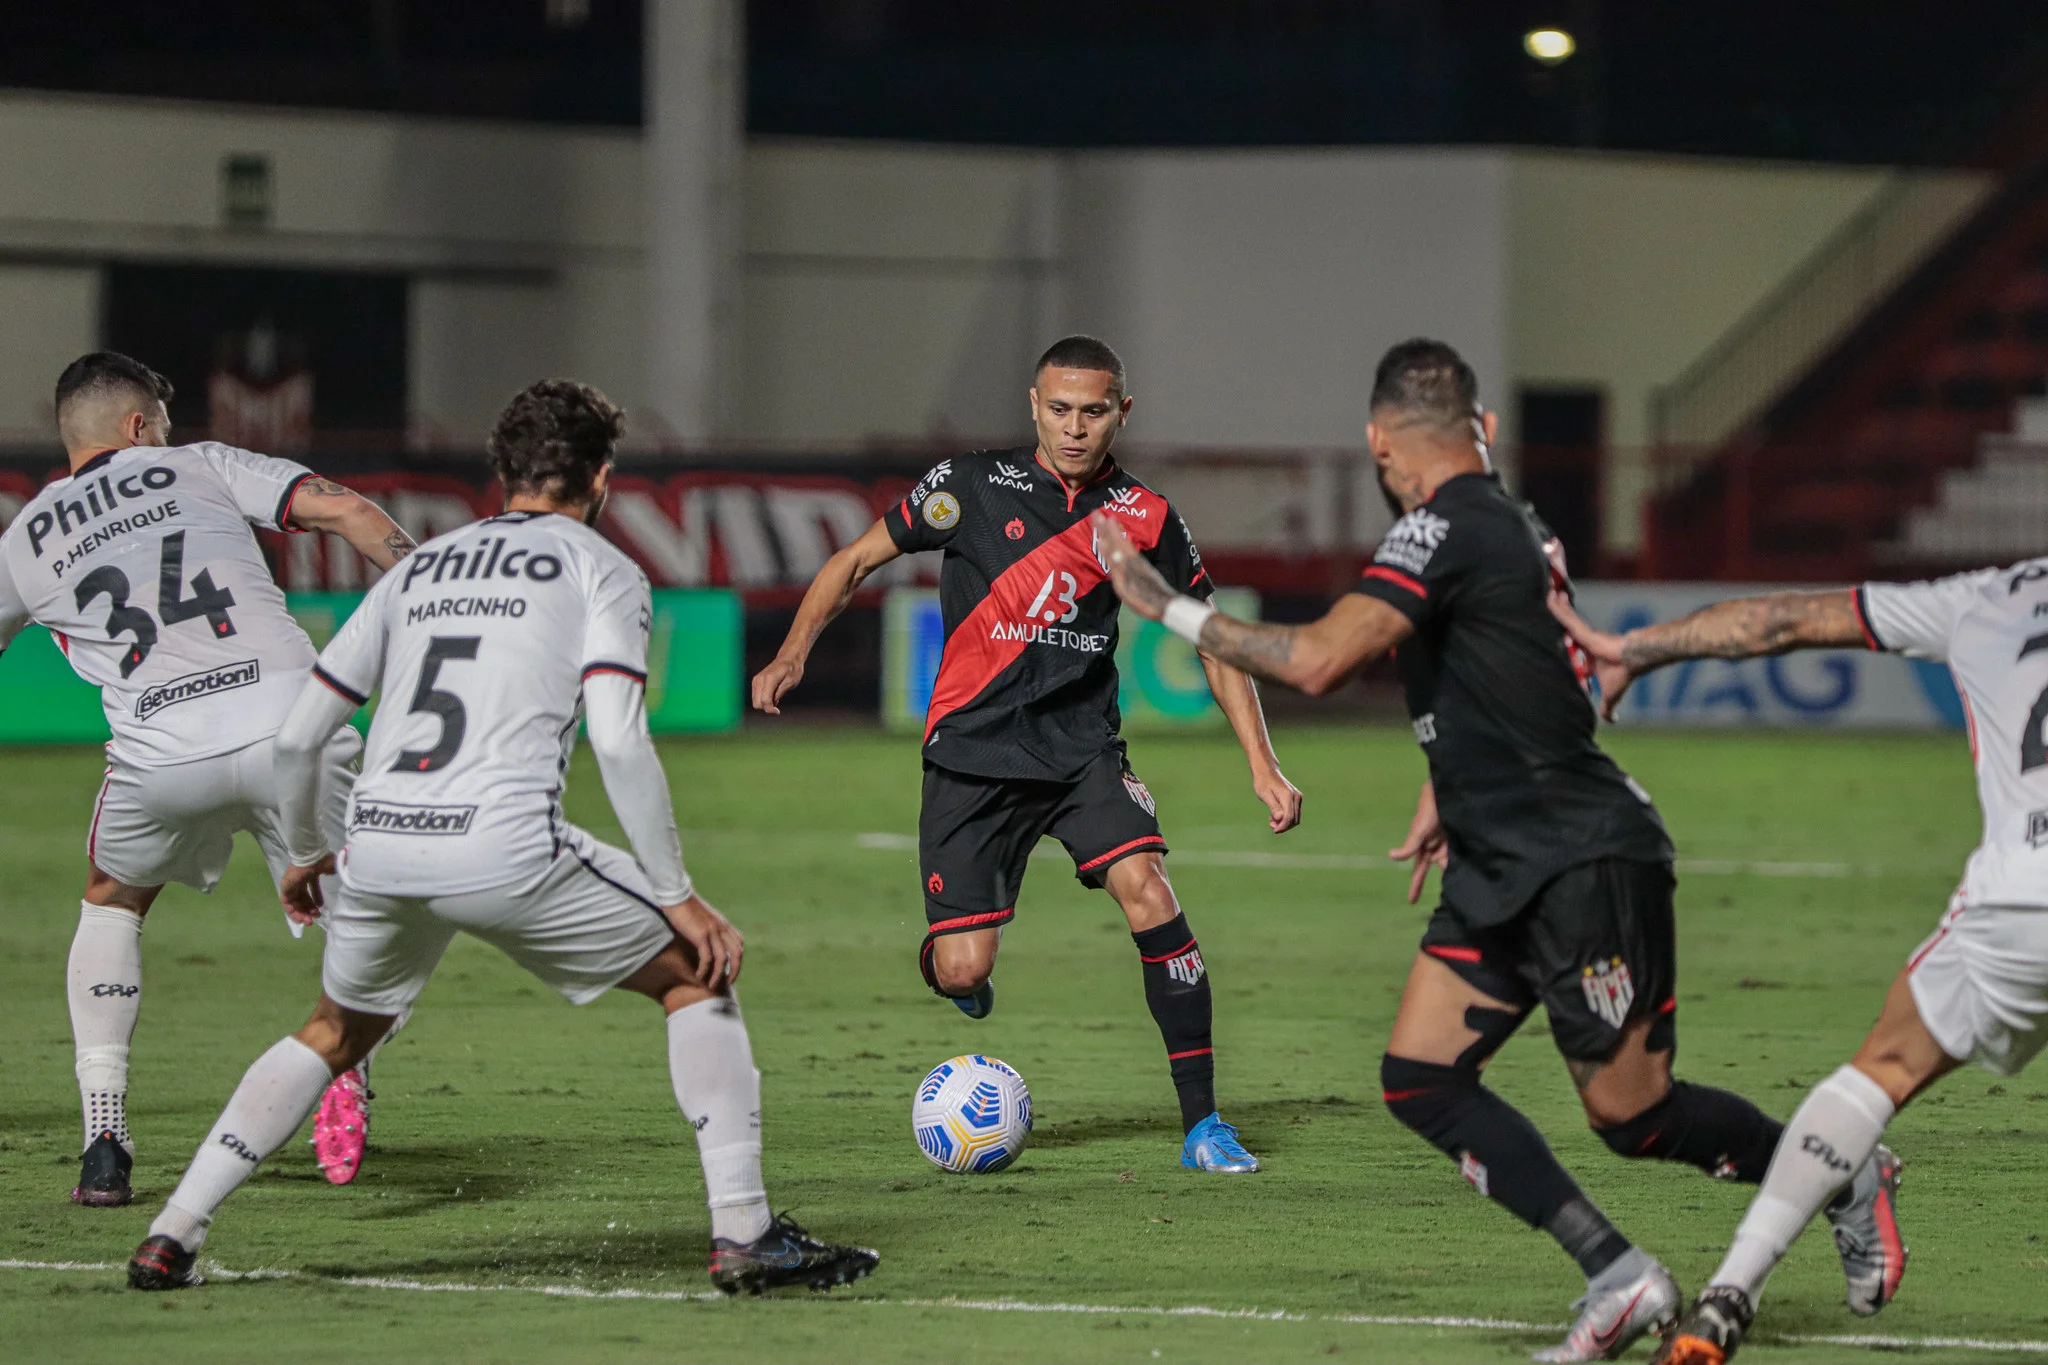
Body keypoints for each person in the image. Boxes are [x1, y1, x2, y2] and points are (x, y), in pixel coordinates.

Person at [1092, 338, 1895, 1362]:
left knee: (1632, 1117)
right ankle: (1617, 1275)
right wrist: (1445, 788)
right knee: (1418, 1076)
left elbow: (1320, 659)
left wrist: (1163, 605)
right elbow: (1509, 675)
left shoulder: (1442, 525)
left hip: (1577, 859)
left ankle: (1838, 1169)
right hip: (1500, 855)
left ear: (1380, 443)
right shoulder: (1510, 523)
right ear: (1480, 426)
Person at [126, 379, 878, 1296]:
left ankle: (174, 1232)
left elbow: (299, 737)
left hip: (382, 843)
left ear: (500, 471)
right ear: (601, 477)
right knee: (696, 969)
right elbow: (618, 737)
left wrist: (306, 854)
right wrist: (675, 890)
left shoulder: (418, 570)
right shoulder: (603, 571)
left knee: (332, 1030)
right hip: (503, 842)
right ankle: (746, 1232)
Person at [751, 335, 1301, 1173]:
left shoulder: (1147, 516)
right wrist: (795, 650)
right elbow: (858, 558)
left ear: (1123, 411)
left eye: (1093, 411)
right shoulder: (969, 484)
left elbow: (1211, 638)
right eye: (1059, 410)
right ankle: (960, 978)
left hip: (1082, 753)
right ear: (1033, 405)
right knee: (964, 965)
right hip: (972, 757)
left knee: (1150, 892)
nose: (1075, 428)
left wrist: (1261, 762)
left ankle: (1204, 1125)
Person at [1549, 569, 2046, 1363]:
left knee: (1879, 1069)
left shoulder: (1996, 594)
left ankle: (1727, 1296)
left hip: (2022, 899)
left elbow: (1777, 622)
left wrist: (1637, 648)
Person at [0, 351, 417, 1206]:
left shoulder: (24, 536)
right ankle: (346, 1063)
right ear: (137, 425)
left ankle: (105, 1138)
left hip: (162, 756)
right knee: (360, 904)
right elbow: (348, 511)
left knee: (112, 898)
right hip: (292, 727)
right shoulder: (202, 463)